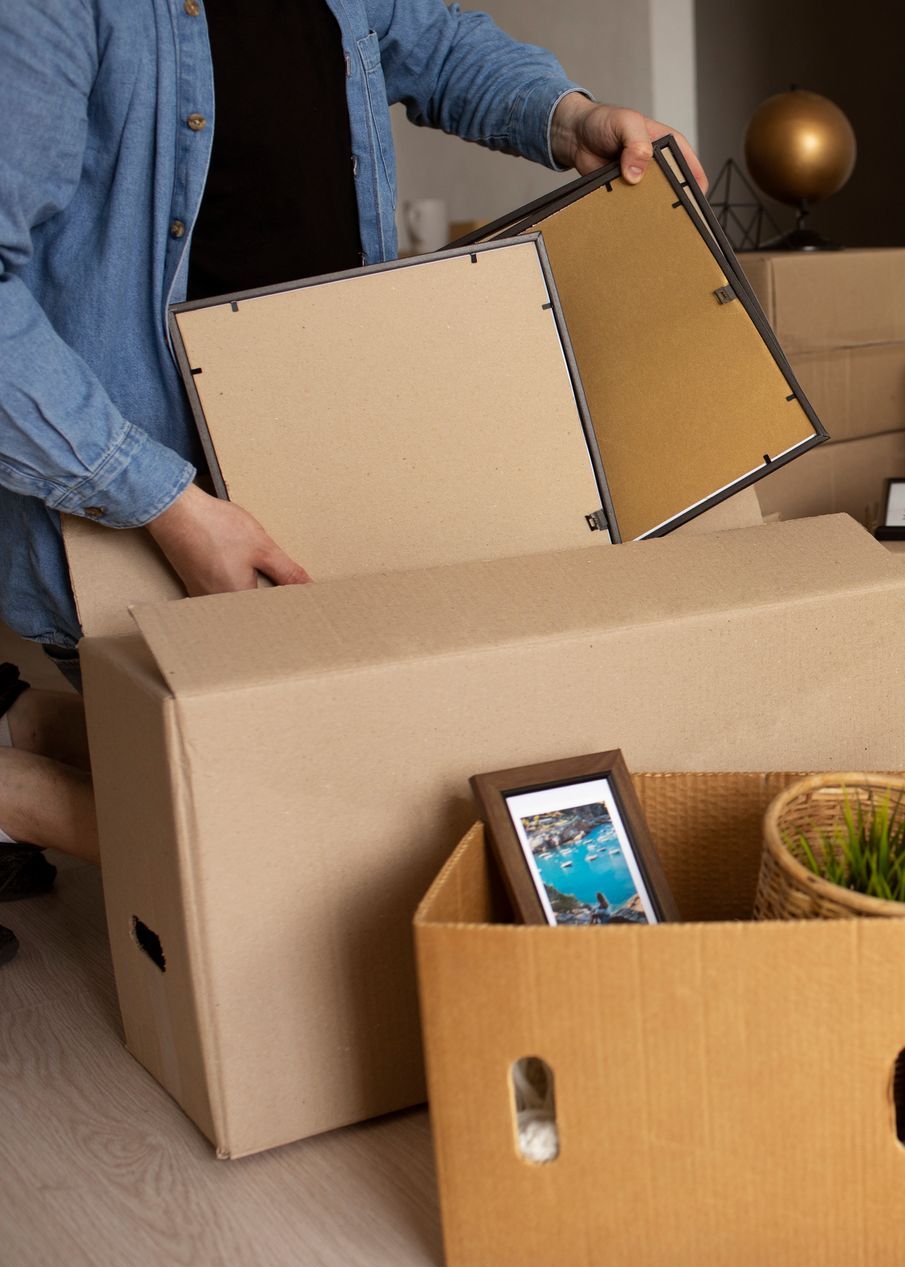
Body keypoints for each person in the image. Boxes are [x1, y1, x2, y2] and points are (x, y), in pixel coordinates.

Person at [0, 0, 705, 965]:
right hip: (140, 507)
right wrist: (167, 506)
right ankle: (15, 797)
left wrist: (571, 114)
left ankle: (33, 726)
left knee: (396, 812)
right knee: (313, 870)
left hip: (313, 472)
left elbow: (437, 37)